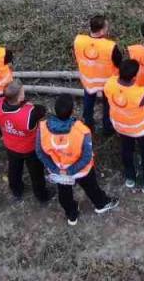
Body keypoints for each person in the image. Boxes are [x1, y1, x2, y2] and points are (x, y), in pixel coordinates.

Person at [36, 94, 119, 225]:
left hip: (59, 170)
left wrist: (55, 169)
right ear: (72, 111)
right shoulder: (81, 131)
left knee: (64, 194)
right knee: (92, 187)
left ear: (55, 110)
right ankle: (101, 204)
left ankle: (71, 215)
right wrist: (71, 171)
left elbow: (40, 152)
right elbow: (86, 156)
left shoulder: (42, 128)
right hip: (82, 170)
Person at [105, 59, 144, 193]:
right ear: (135, 77)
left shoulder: (109, 83)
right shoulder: (141, 93)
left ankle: (130, 177)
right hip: (140, 129)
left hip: (120, 126)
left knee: (126, 149)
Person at [0, 79, 51, 203]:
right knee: (36, 173)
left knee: (14, 169)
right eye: (22, 92)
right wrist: (30, 105)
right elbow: (42, 110)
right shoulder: (30, 113)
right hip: (30, 148)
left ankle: (16, 190)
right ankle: (41, 195)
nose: (24, 93)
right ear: (19, 98)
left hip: (10, 145)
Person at [74, 15, 121, 135]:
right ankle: (107, 128)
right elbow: (119, 62)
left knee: (88, 103)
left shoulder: (79, 40)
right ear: (101, 30)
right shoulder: (110, 46)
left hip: (87, 81)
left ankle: (88, 124)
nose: (107, 29)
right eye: (106, 27)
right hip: (107, 82)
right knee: (108, 106)